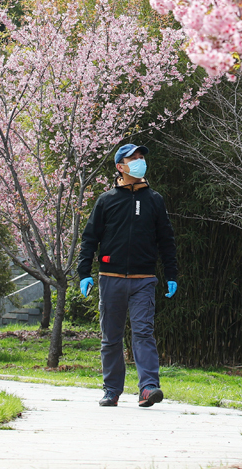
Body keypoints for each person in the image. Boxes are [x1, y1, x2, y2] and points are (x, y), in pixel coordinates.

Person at [78, 143, 179, 408]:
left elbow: (166, 240)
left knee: (143, 333)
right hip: (110, 277)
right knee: (110, 338)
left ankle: (148, 387)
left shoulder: (154, 200)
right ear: (120, 166)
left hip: (143, 279)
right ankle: (111, 390)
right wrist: (84, 272)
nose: (139, 161)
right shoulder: (107, 200)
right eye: (133, 158)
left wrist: (171, 274)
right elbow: (90, 239)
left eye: (141, 157)